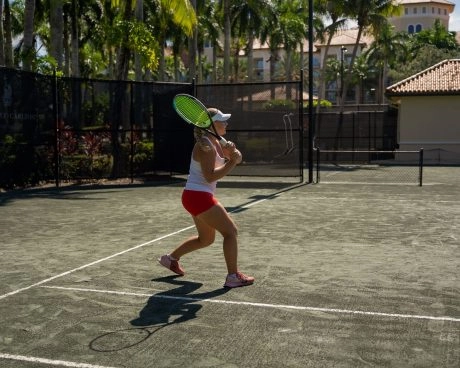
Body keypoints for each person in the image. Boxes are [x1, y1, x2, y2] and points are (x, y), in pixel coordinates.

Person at [158, 107, 254, 288]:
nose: (226, 123)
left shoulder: (215, 141)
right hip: (198, 196)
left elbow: (237, 158)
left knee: (206, 239)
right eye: (222, 120)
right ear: (211, 124)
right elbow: (210, 176)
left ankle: (170, 259)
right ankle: (233, 276)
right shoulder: (206, 145)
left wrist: (234, 155)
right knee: (230, 232)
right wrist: (232, 161)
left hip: (194, 196)